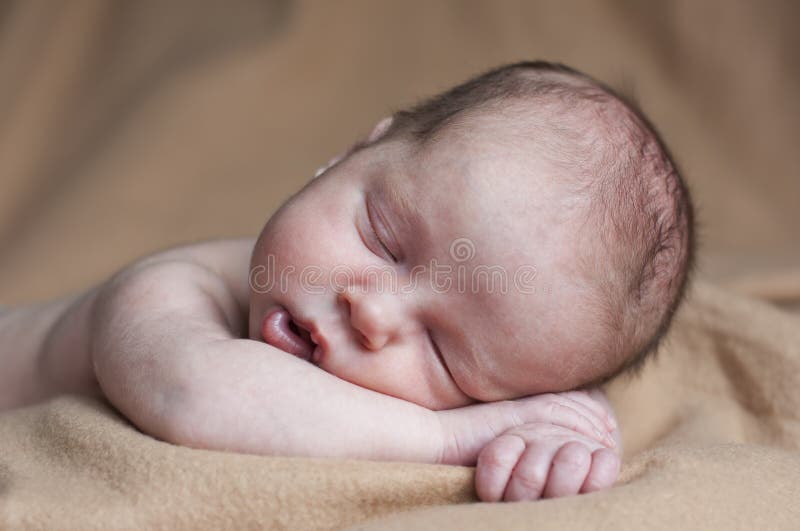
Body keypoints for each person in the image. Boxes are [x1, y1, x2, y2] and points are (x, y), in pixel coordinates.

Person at [0, 61, 694, 502]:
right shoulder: (166, 293)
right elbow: (197, 395)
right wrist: (460, 434)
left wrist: (560, 430)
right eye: (384, 240)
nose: (373, 315)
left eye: (447, 355)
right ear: (350, 156)